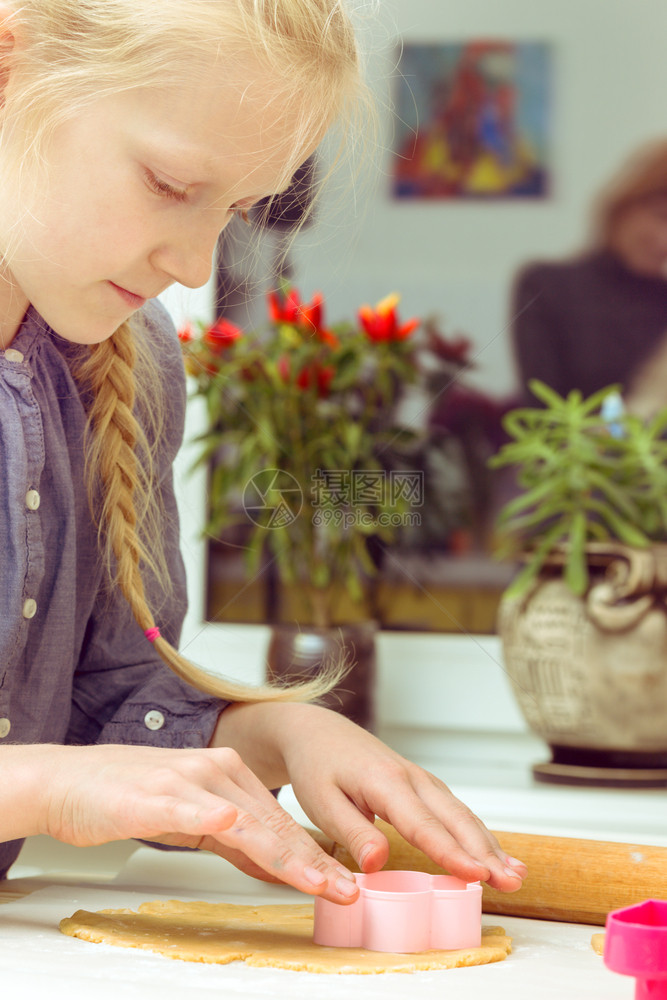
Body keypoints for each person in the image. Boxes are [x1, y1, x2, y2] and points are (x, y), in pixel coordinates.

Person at [0, 0, 526, 902]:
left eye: (239, 209)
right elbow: (59, 774)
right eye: (169, 183)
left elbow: (108, 707)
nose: (201, 266)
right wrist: (41, 788)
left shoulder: (130, 360)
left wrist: (278, 734)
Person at [511, 140, 667, 407]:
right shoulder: (547, 285)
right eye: (659, 215)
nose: (664, 240)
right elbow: (543, 408)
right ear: (622, 206)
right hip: (574, 446)